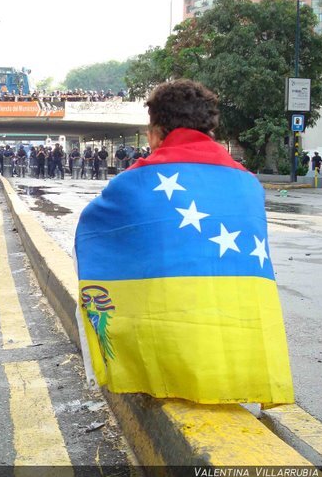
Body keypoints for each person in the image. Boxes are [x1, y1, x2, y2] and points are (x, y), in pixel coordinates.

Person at [74, 79, 294, 405]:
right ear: (210, 130)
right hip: (241, 354)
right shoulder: (248, 183)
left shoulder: (134, 181)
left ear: (157, 132)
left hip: (171, 353)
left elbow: (92, 232)